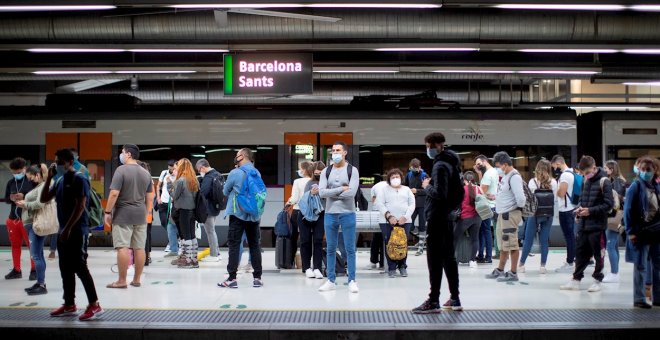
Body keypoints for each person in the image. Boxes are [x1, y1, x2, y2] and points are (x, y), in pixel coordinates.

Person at [40, 148, 102, 321]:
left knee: (80, 268)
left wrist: (67, 229)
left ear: (69, 162)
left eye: (59, 162)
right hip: (64, 232)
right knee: (65, 269)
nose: (57, 165)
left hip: (77, 231)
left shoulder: (80, 179)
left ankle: (94, 304)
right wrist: (49, 178)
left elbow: (80, 205)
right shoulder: (59, 180)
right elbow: (44, 198)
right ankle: (69, 304)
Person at [412, 132, 464, 314]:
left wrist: (427, 187)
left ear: (435, 146)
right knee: (449, 258)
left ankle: (433, 300)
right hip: (449, 216)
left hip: (437, 217)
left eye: (428, 146)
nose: (427, 150)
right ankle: (455, 298)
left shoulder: (440, 165)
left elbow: (440, 193)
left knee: (434, 259)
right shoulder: (453, 163)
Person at [560, 156, 613, 293]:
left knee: (598, 254)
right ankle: (576, 279)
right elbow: (583, 200)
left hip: (597, 226)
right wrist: (579, 209)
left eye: (587, 172)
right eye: (583, 173)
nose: (586, 175)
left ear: (594, 167)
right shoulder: (585, 180)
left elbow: (608, 205)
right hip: (583, 225)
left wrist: (590, 211)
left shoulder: (604, 181)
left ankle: (597, 281)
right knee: (581, 253)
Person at [104, 144, 154, 287]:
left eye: (122, 152)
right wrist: (147, 212)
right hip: (140, 215)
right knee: (139, 248)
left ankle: (121, 281)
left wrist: (107, 212)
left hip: (123, 215)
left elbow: (114, 193)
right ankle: (137, 280)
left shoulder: (121, 170)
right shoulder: (145, 173)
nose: (121, 155)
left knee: (123, 247)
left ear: (129, 154)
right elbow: (150, 196)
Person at [317, 142, 360, 293]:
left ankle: (352, 280)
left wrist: (331, 192)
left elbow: (352, 193)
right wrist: (342, 188)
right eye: (333, 150)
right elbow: (321, 193)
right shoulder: (325, 171)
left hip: (348, 213)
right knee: (330, 248)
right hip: (330, 213)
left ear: (345, 153)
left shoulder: (352, 170)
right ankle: (330, 280)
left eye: (338, 150)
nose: (335, 153)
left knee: (350, 249)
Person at [218, 148, 264, 288]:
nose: (236, 157)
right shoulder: (256, 172)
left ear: (243, 157)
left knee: (234, 245)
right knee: (254, 245)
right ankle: (257, 278)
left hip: (238, 213)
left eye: (237, 156)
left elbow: (225, 191)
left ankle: (232, 278)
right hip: (254, 215)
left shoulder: (235, 172)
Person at [623, 156, 660, 308]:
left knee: (658, 266)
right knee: (641, 266)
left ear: (655, 171)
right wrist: (630, 231)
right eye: (643, 170)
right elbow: (628, 210)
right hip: (641, 233)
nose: (645, 172)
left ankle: (657, 298)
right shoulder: (635, 186)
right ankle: (639, 299)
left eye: (648, 170)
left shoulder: (656, 187)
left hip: (656, 232)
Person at [484, 151, 526, 283]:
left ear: (506, 164)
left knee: (511, 243)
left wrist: (511, 207)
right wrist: (496, 198)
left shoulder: (514, 177)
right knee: (503, 244)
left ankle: (513, 272)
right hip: (503, 214)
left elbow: (521, 199)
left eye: (498, 166)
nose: (497, 169)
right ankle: (500, 270)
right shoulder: (506, 176)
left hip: (510, 214)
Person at [519, 159, 557, 274]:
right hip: (548, 214)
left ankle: (521, 265)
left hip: (535, 214)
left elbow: (529, 199)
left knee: (528, 240)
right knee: (544, 240)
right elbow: (554, 199)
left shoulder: (532, 182)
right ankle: (542, 266)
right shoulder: (554, 182)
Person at [16, 164, 49, 295]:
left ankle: (41, 284)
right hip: (32, 224)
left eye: (31, 178)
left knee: (36, 255)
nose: (30, 181)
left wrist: (25, 204)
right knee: (38, 254)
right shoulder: (40, 186)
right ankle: (40, 282)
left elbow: (40, 203)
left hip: (35, 225)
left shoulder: (42, 187)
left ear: (37, 175)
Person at [376, 168, 415, 278]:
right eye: (393, 177)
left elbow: (412, 204)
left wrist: (405, 217)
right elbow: (380, 204)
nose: (395, 179)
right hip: (387, 222)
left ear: (401, 178)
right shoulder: (383, 190)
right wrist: (389, 216)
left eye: (397, 177)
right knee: (390, 243)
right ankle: (392, 268)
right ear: (389, 179)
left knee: (403, 243)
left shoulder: (407, 189)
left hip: (405, 221)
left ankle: (402, 266)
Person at [4, 157, 35, 280]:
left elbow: (38, 198)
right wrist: (11, 198)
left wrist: (25, 196)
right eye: (14, 172)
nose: (16, 175)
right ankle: (16, 270)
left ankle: (34, 270)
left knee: (32, 246)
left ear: (24, 169)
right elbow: (6, 199)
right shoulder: (11, 183)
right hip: (13, 219)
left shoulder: (31, 182)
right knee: (15, 246)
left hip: (27, 219)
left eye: (18, 172)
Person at [169, 158, 200, 269]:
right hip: (192, 211)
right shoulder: (194, 180)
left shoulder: (181, 180)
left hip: (183, 211)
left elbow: (174, 196)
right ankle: (194, 259)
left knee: (186, 236)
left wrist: (169, 187)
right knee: (192, 235)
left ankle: (187, 260)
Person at [298, 161, 326, 279]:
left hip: (321, 214)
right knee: (305, 241)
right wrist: (311, 193)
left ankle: (318, 268)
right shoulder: (309, 183)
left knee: (318, 241)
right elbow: (305, 200)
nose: (318, 175)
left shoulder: (327, 184)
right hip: (305, 215)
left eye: (321, 173)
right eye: (316, 173)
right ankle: (306, 267)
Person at [551, 155, 578, 273]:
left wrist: (555, 190)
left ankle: (570, 262)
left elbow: (561, 193)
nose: (554, 169)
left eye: (554, 166)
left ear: (558, 163)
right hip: (571, 208)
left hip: (566, 210)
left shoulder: (565, 175)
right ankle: (572, 260)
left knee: (569, 237)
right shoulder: (572, 172)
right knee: (571, 236)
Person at [602, 160, 627, 283]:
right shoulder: (619, 180)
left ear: (612, 169)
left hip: (615, 216)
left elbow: (615, 200)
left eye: (606, 168)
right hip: (618, 216)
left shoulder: (617, 182)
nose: (604, 170)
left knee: (610, 245)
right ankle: (615, 271)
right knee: (614, 245)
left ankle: (614, 273)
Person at [286, 161, 312, 274]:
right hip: (311, 213)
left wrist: (288, 203)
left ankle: (290, 261)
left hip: (298, 211)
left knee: (294, 237)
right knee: (308, 238)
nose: (299, 171)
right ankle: (308, 262)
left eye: (300, 168)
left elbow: (295, 198)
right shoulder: (314, 181)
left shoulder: (298, 181)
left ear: (304, 170)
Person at [196, 158, 223, 262]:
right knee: (212, 230)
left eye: (199, 170)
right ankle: (217, 252)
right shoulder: (217, 174)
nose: (199, 172)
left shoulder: (209, 177)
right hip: (215, 207)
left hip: (208, 209)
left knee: (210, 231)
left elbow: (203, 192)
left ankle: (214, 255)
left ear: (202, 167)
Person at [455, 171, 483, 269]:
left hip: (465, 218)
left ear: (464, 179)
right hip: (477, 218)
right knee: (474, 239)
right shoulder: (479, 189)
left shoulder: (462, 190)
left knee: (454, 238)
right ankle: (472, 261)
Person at [474, 155, 497, 263]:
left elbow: (481, 191)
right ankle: (482, 256)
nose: (477, 166)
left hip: (485, 206)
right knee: (484, 231)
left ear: (484, 161)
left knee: (485, 231)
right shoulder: (494, 171)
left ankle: (487, 256)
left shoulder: (488, 174)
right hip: (491, 205)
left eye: (479, 164)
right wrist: (479, 173)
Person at [404, 158, 428, 256]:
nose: (414, 170)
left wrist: (417, 191)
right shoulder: (408, 175)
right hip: (411, 204)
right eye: (413, 168)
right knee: (409, 224)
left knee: (422, 225)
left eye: (416, 168)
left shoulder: (424, 175)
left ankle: (421, 247)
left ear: (419, 167)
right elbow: (405, 187)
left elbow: (428, 190)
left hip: (423, 203)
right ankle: (423, 239)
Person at [156, 160, 178, 257]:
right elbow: (158, 186)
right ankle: (173, 241)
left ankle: (172, 244)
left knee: (171, 225)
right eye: (169, 167)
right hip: (163, 201)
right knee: (164, 222)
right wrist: (158, 197)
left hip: (172, 203)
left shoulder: (178, 175)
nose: (170, 169)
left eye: (172, 167)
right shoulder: (164, 173)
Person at [138, 161, 154, 266]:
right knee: (147, 234)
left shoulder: (138, 179)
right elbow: (152, 196)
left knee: (140, 235)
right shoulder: (149, 179)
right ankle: (147, 257)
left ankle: (142, 258)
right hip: (148, 211)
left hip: (140, 210)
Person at [368, 177, 388, 269]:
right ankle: (385, 262)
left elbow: (373, 200)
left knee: (376, 237)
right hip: (389, 213)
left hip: (377, 212)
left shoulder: (375, 187)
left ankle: (373, 261)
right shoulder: (391, 186)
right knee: (387, 238)